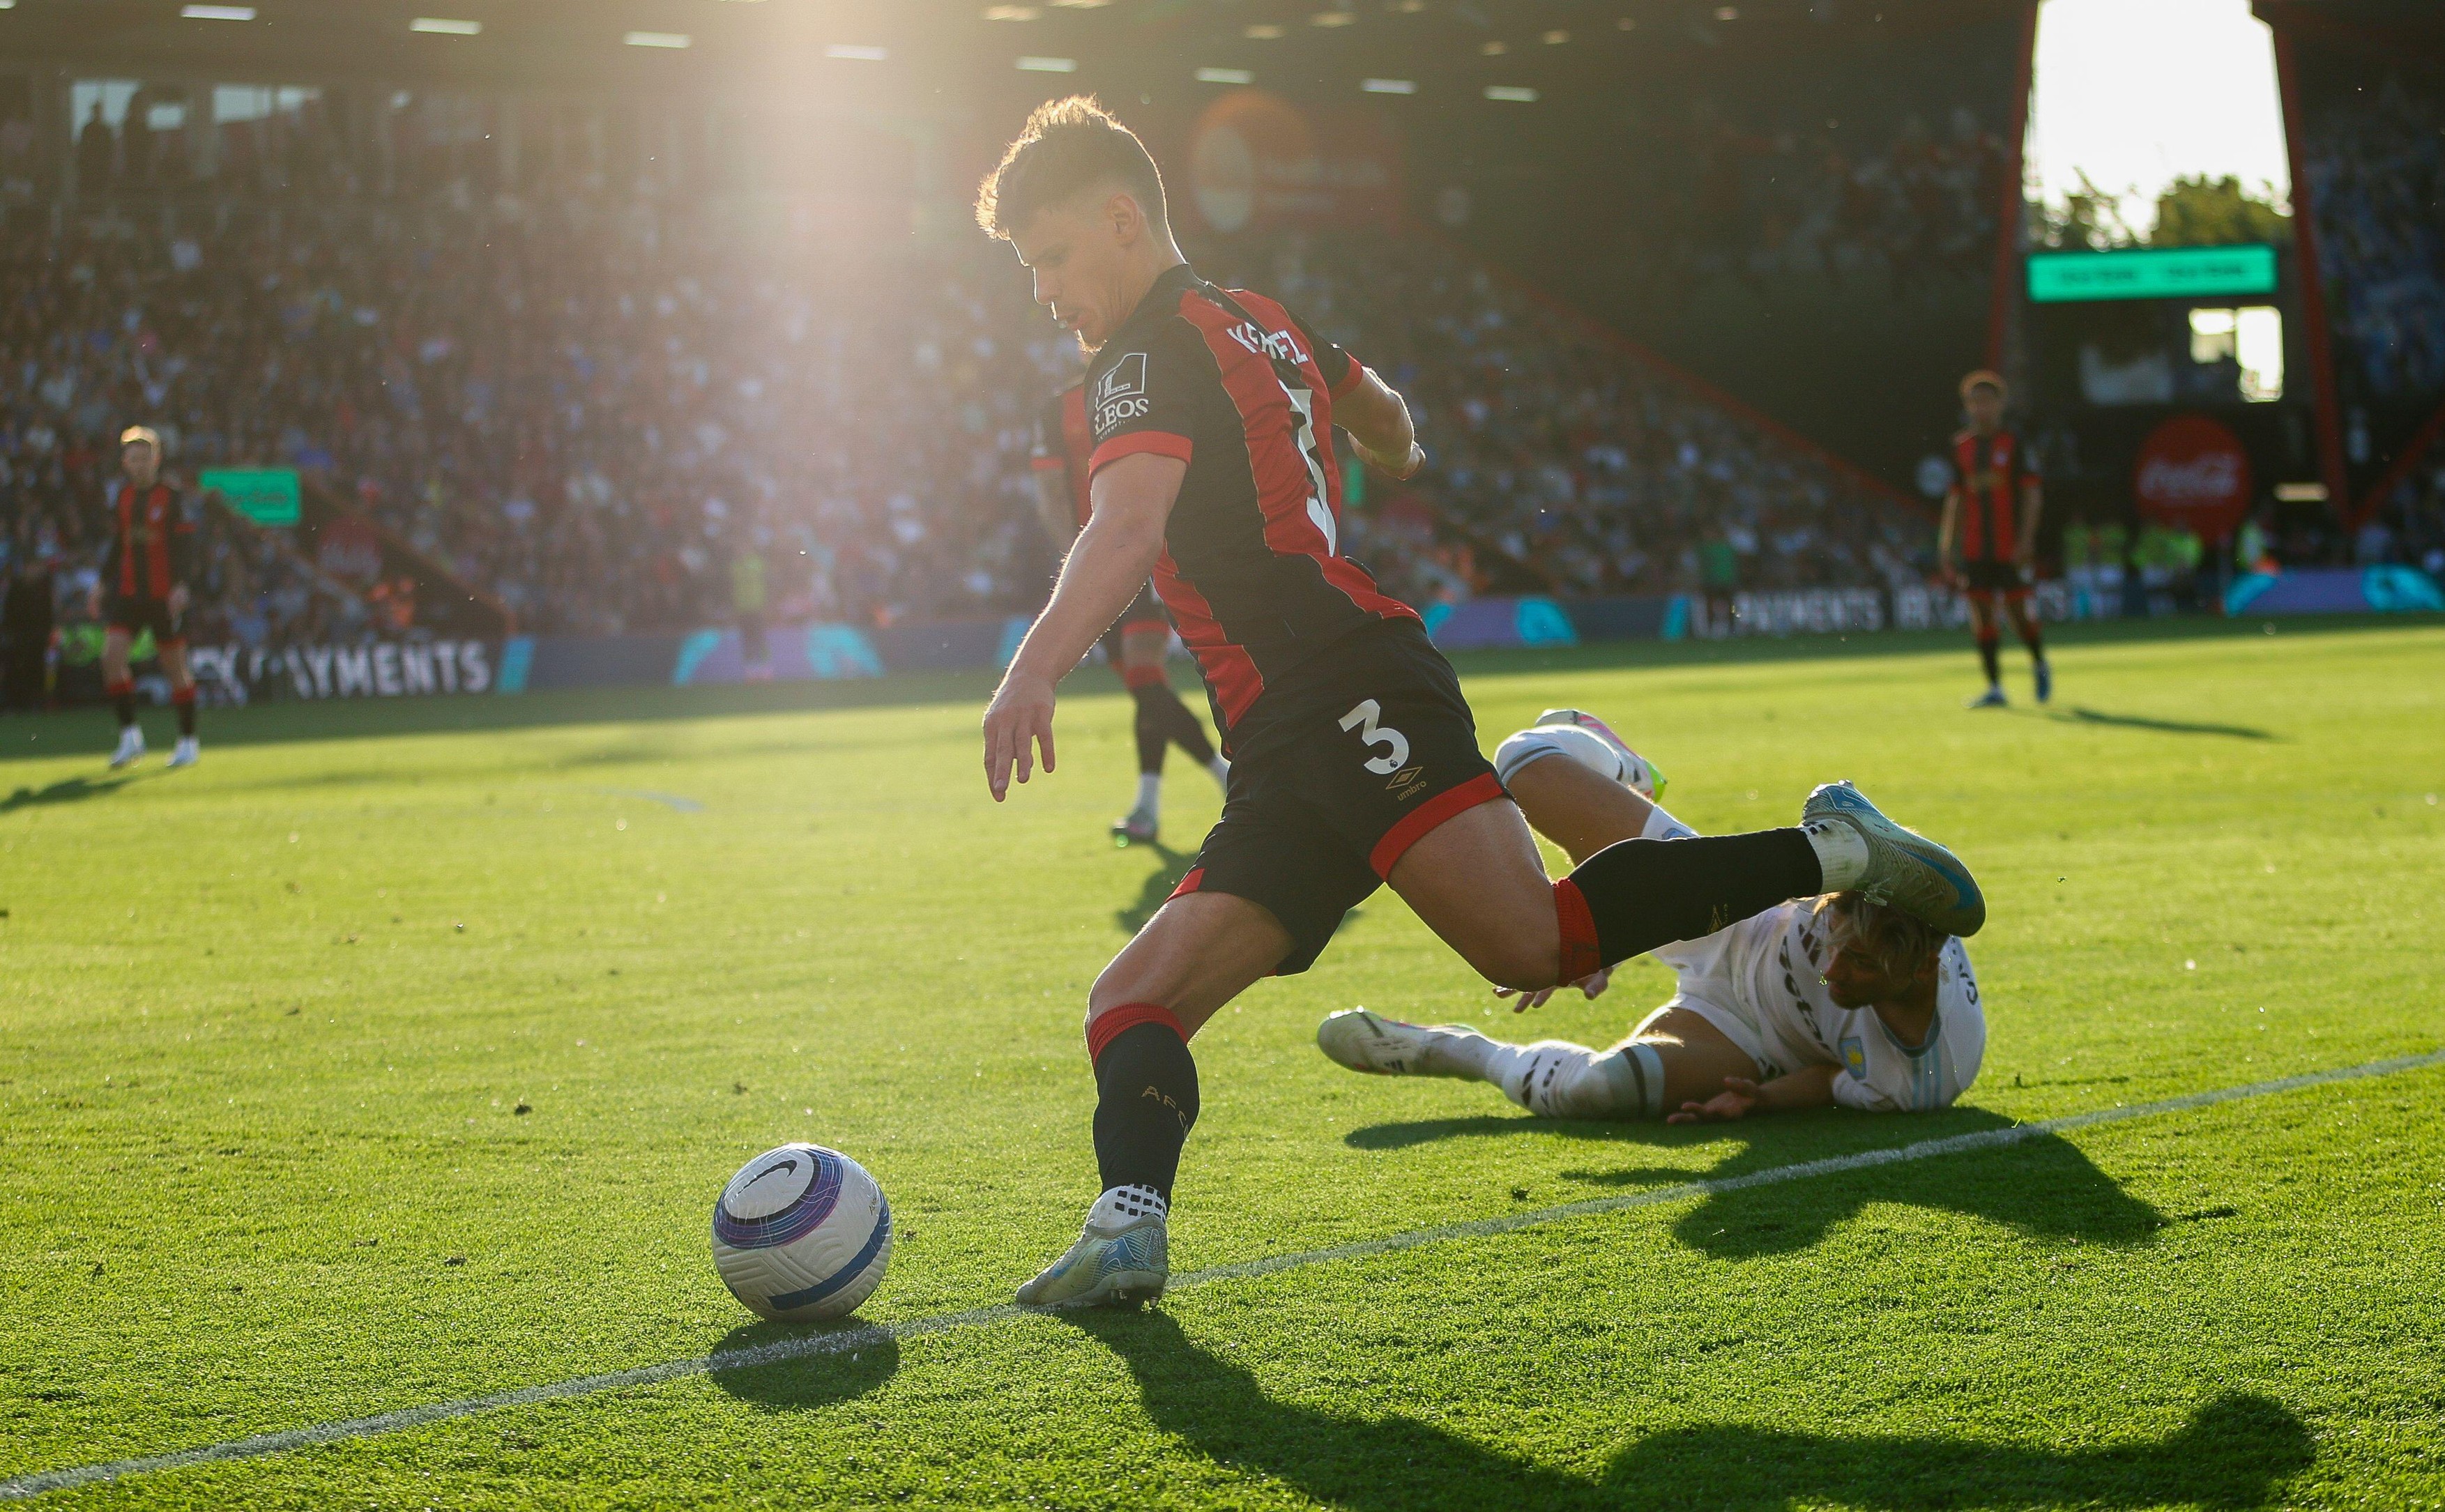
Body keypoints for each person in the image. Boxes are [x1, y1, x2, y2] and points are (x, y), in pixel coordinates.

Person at [972, 97, 1987, 1307]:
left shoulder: (1137, 359)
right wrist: (1395, 457)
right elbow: (1383, 410)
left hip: (1337, 685)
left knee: (1535, 943)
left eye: (1048, 256)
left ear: (1120, 218)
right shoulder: (1265, 318)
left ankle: (1836, 849)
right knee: (1133, 995)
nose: (1043, 291)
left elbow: (1128, 525)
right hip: (1286, 735)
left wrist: (1033, 664)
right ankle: (1128, 1225)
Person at [1318, 708, 1983, 1120]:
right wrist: (1608, 926)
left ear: (1925, 966)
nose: (1832, 967)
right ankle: (1624, 765)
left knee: (1602, 1092)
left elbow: (1842, 1075)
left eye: (1858, 963)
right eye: (1831, 941)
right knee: (1524, 762)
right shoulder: (1898, 894)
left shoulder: (1933, 1075)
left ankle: (1455, 1051)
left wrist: (1762, 1099)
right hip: (1736, 925)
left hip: (1749, 1041)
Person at [1031, 378, 1228, 843]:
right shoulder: (1069, 406)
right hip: (1098, 563)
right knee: (1146, 690)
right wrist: (1077, 569)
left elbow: (1049, 493)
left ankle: (1226, 777)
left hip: (1149, 553)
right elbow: (1050, 492)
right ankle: (1150, 806)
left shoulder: (1149, 387)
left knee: (1143, 677)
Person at [1937, 372, 2048, 708]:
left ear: (2000, 405)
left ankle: (2039, 662)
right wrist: (1947, 547)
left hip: (2008, 546)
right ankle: (1995, 686)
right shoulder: (1962, 448)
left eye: (1987, 400)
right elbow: (1955, 500)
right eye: (1975, 401)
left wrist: (2026, 540)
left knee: (2018, 616)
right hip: (1976, 548)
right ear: (1967, 406)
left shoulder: (2014, 445)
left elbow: (2031, 495)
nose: (1981, 408)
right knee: (1981, 615)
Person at [93, 427, 199, 768]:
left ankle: (188, 740)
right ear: (125, 462)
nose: (139, 465)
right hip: (129, 594)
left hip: (162, 596)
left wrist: (182, 584)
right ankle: (130, 738)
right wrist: (101, 583)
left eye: (145, 458)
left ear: (157, 459)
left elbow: (185, 546)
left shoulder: (171, 497)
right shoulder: (122, 498)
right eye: (133, 459)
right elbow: (117, 545)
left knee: (175, 668)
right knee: (111, 658)